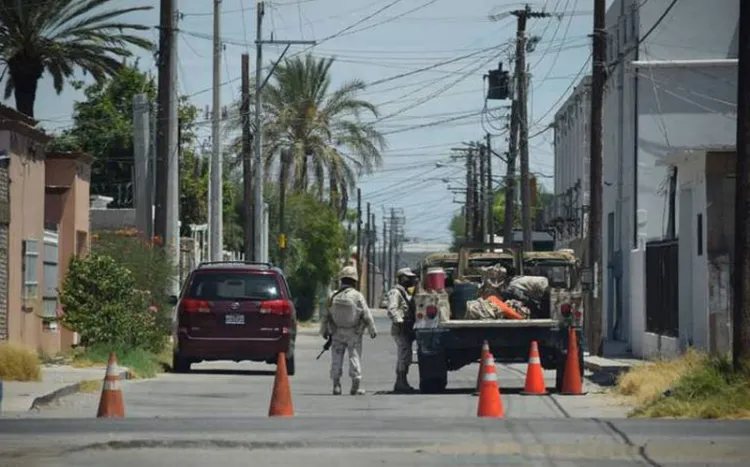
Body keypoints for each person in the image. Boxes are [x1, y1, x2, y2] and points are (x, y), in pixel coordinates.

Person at [319, 265, 377, 395]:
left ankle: (336, 385)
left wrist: (324, 331)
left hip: (337, 332)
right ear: (354, 281)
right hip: (353, 333)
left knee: (336, 358)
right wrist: (372, 329)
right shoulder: (357, 296)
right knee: (354, 357)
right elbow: (366, 314)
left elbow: (326, 315)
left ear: (341, 280)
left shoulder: (333, 295)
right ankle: (355, 386)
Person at [387, 267, 418, 393]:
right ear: (402, 278)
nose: (411, 280)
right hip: (400, 329)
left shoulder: (404, 292)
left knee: (407, 356)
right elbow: (392, 309)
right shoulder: (396, 292)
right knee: (403, 355)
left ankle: (402, 381)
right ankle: (400, 382)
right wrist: (399, 321)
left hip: (406, 329)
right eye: (408, 277)